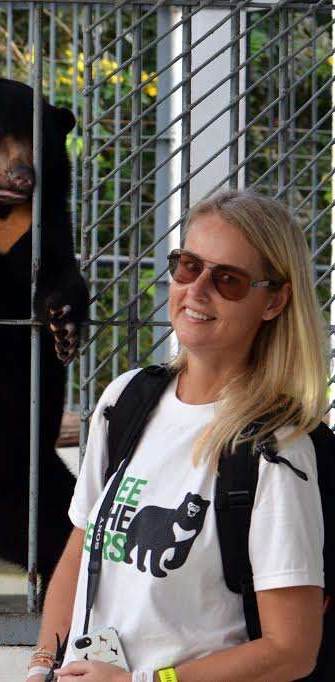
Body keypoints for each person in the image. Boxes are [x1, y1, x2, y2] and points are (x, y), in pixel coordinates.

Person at [29, 190, 328, 682]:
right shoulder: (125, 401)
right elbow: (82, 551)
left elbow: (291, 650)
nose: (197, 289)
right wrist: (42, 664)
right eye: (188, 265)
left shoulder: (274, 449)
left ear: (273, 300)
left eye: (228, 280)